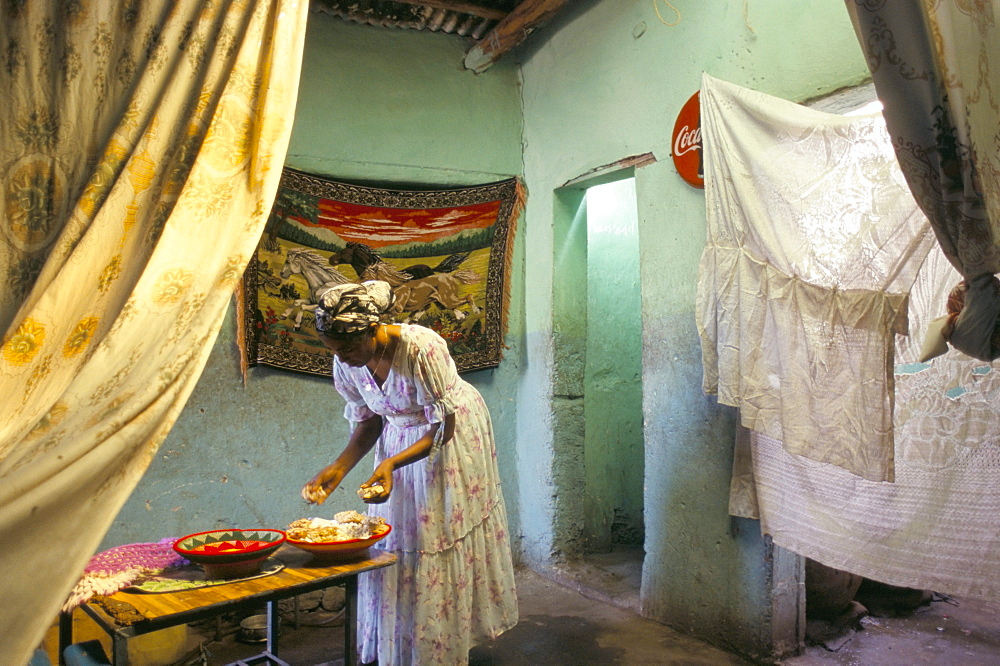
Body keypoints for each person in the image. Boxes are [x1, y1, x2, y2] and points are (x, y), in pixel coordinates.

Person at [301, 280, 518, 665]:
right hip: (399, 440)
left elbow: (443, 428)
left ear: (373, 329)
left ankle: (439, 646)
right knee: (398, 537)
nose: (343, 358)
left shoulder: (421, 349)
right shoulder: (347, 361)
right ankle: (404, 645)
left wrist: (391, 464)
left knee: (435, 532)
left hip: (447, 440)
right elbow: (369, 423)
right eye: (334, 351)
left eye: (349, 348)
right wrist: (339, 466)